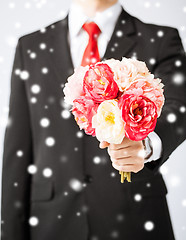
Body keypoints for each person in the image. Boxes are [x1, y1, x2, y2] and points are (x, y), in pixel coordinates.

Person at [1, 0, 186, 239]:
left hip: (135, 220)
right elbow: (18, 149)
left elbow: (178, 108)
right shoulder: (31, 46)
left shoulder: (159, 39)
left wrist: (146, 142)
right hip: (52, 221)